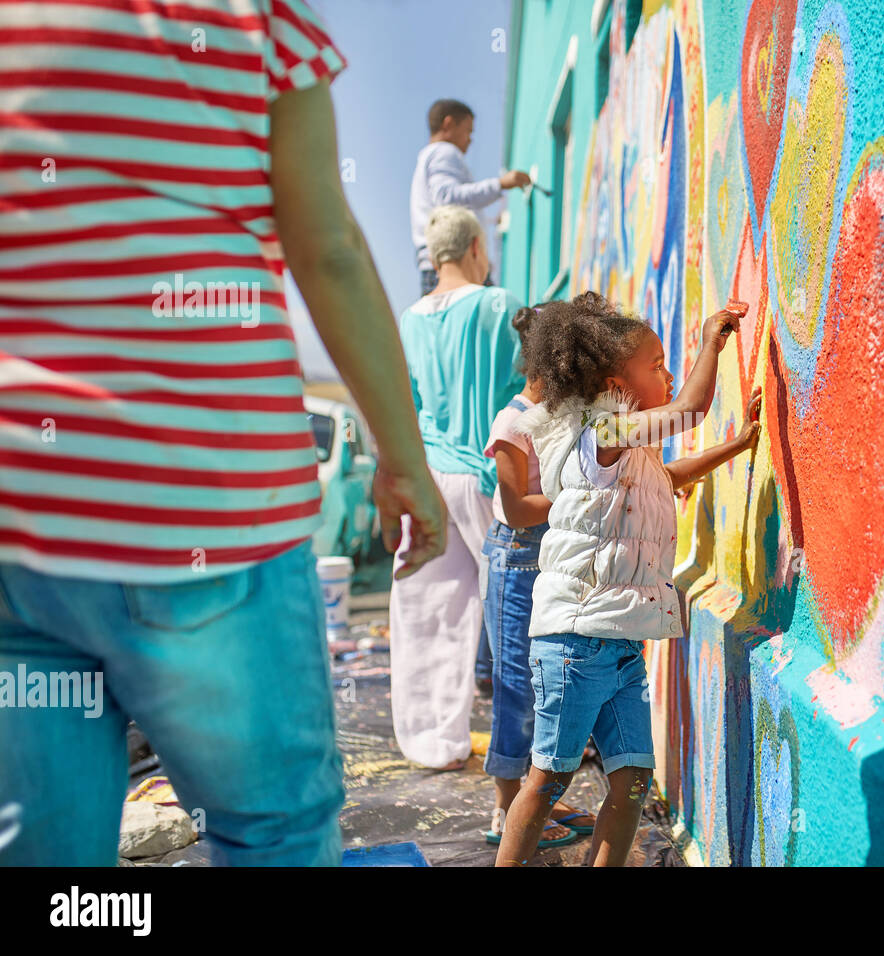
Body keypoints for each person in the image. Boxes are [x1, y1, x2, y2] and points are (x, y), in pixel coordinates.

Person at [0, 0, 445, 866]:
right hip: (209, 514)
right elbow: (330, 253)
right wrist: (404, 461)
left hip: (23, 523)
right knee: (271, 833)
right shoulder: (255, 19)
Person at [495, 293, 762, 867]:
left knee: (634, 777)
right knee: (547, 780)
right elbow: (691, 407)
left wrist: (736, 446)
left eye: (668, 363)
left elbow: (670, 474)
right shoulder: (600, 432)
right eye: (657, 365)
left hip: (617, 646)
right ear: (618, 383)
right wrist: (711, 337)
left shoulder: (629, 450)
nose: (667, 375)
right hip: (573, 643)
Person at [390, 205, 524, 771]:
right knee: (512, 614)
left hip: (427, 476)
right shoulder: (501, 306)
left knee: (427, 609)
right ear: (475, 247)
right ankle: (518, 753)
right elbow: (526, 390)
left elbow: (406, 403)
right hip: (485, 475)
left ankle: (431, 743)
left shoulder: (408, 317)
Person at [479, 306, 598, 851]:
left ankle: (536, 798)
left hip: (546, 557)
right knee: (516, 687)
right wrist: (582, 497)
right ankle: (507, 808)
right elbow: (519, 507)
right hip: (516, 558)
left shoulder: (558, 412)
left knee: (543, 681)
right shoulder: (512, 422)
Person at [409, 99, 531, 296]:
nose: (470, 139)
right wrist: (501, 184)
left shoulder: (427, 158)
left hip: (437, 265)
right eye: (468, 131)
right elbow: (447, 198)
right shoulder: (445, 152)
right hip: (456, 264)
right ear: (448, 125)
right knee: (495, 319)